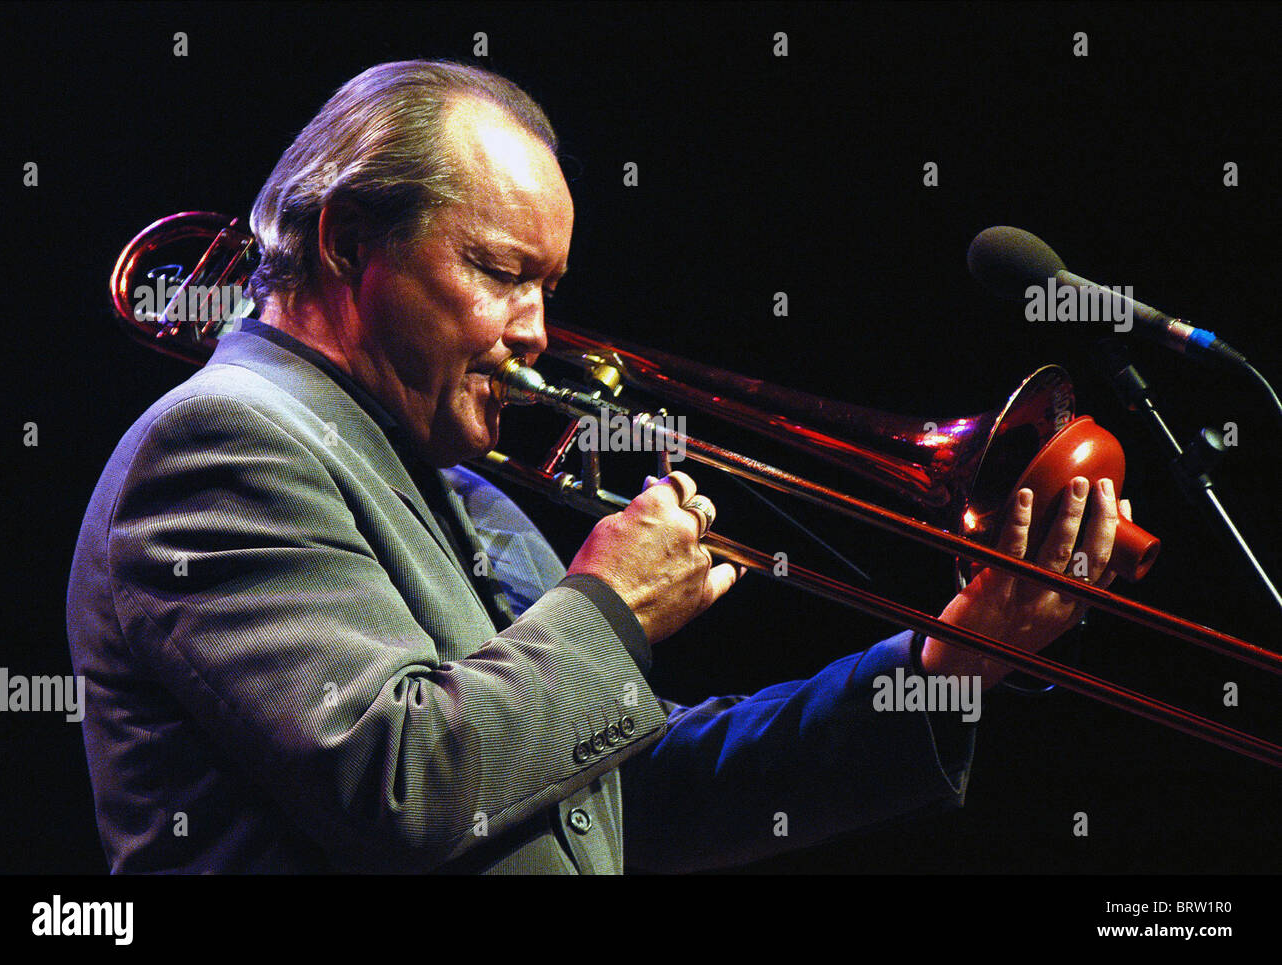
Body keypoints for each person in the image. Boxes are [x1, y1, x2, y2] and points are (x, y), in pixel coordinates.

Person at [67, 61, 1128, 873]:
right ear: (348, 243)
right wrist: (608, 608)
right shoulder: (220, 441)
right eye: (498, 271)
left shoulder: (464, 496)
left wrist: (953, 661)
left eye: (549, 284)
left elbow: (627, 792)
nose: (536, 330)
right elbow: (397, 784)